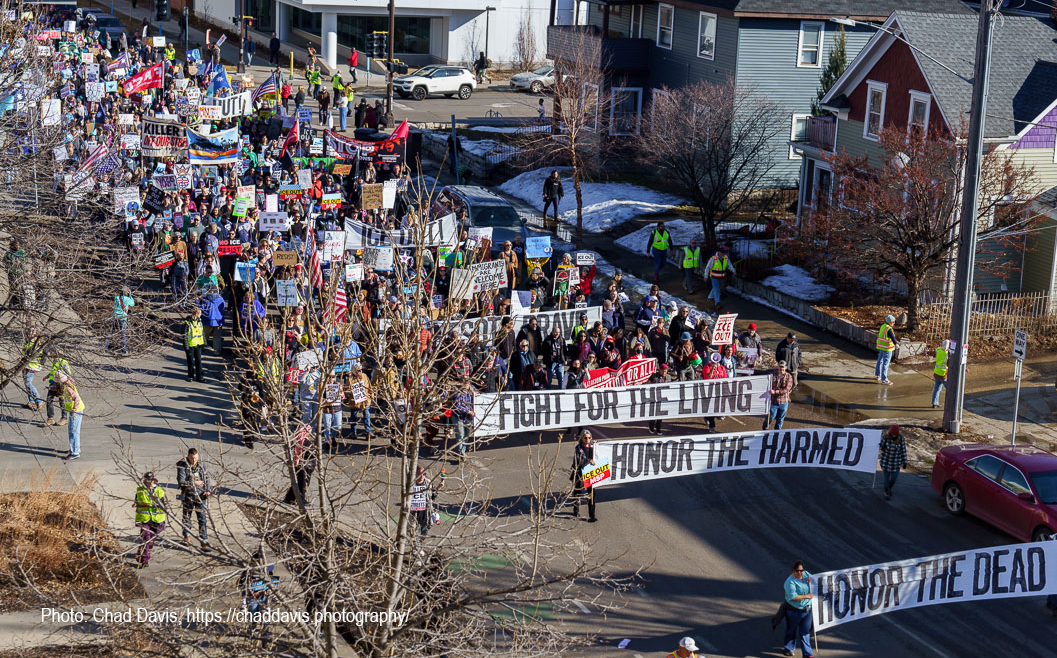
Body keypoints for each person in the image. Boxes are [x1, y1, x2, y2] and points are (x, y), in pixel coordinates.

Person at [177, 448, 212, 551]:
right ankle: (186, 537)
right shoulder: (182, 465)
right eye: (192, 458)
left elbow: (207, 478)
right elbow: (181, 481)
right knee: (187, 517)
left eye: (196, 458)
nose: (194, 460)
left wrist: (208, 490)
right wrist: (194, 483)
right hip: (188, 495)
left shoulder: (202, 465)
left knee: (202, 519)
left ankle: (204, 541)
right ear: (188, 456)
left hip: (200, 496)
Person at [133, 472, 166, 568]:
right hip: (145, 519)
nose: (149, 483)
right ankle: (144, 560)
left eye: (151, 481)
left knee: (150, 541)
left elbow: (164, 506)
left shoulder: (159, 491)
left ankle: (142, 553)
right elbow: (137, 500)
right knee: (146, 539)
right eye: (147, 481)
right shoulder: (140, 491)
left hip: (157, 520)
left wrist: (158, 502)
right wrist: (135, 504)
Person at [782, 560, 814, 657]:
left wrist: (811, 580)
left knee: (805, 632)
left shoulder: (806, 574)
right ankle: (789, 648)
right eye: (797, 570)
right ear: (793, 570)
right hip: (794, 611)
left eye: (801, 570)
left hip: (807, 610)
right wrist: (807, 596)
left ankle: (807, 654)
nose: (800, 572)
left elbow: (814, 579)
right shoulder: (789, 582)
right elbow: (793, 597)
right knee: (791, 630)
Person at [55, 371, 84, 460]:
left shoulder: (67, 388)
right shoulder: (68, 384)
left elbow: (76, 398)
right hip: (75, 410)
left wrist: (74, 410)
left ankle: (75, 452)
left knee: (73, 431)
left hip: (75, 411)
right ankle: (75, 448)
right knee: (74, 430)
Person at [570, 430, 597, 522]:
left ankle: (592, 515)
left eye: (589, 437)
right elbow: (579, 461)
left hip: (591, 474)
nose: (587, 439)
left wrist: (597, 446)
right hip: (580, 474)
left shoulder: (593, 447)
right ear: (581, 438)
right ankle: (576, 509)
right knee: (578, 492)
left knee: (592, 494)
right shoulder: (579, 448)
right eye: (585, 438)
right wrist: (589, 461)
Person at [410, 465, 444, 536]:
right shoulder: (410, 485)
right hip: (413, 514)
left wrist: (438, 488)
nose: (422, 476)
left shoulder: (428, 483)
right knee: (413, 535)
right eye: (419, 474)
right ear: (415, 474)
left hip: (425, 514)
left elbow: (432, 496)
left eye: (424, 474)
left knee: (423, 534)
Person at [879, 425, 907, 500]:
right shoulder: (885, 437)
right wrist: (879, 445)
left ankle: (889, 488)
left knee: (894, 477)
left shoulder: (901, 439)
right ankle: (886, 492)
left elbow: (903, 450)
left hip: (896, 462)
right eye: (893, 433)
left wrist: (904, 461)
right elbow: (881, 447)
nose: (894, 435)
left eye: (895, 434)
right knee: (886, 478)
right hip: (886, 462)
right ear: (890, 432)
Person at [44, 347, 71, 427]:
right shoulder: (54, 361)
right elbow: (53, 372)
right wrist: (46, 377)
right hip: (52, 383)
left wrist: (63, 380)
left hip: (60, 385)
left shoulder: (63, 362)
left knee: (62, 401)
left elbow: (68, 374)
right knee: (49, 400)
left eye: (52, 352)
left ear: (57, 353)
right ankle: (50, 418)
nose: (51, 353)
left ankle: (64, 418)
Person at [764, 360, 794, 430]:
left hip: (784, 402)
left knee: (780, 420)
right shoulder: (772, 375)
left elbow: (786, 389)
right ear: (778, 367)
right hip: (773, 401)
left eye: (783, 367)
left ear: (786, 367)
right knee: (771, 417)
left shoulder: (789, 377)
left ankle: (777, 433)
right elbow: (767, 384)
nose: (781, 368)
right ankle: (765, 428)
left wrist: (775, 392)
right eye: (780, 367)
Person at [105, 286, 135, 354]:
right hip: (123, 318)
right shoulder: (127, 299)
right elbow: (133, 304)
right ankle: (124, 350)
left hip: (115, 317)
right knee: (123, 335)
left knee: (110, 333)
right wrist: (130, 295)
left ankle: (105, 347)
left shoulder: (116, 298)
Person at [21, 332, 44, 410]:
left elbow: (35, 355)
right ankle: (31, 401)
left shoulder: (37, 343)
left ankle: (39, 401)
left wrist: (25, 358)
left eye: (32, 331)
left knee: (28, 384)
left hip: (32, 365)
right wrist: (22, 358)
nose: (30, 333)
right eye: (29, 331)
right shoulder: (27, 342)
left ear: (36, 333)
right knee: (26, 384)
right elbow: (23, 352)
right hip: (25, 365)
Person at [875, 314, 897, 385]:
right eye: (893, 322)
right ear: (890, 322)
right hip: (887, 348)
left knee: (880, 361)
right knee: (886, 363)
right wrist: (896, 344)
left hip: (881, 347)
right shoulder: (889, 329)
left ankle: (878, 375)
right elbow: (893, 338)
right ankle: (884, 379)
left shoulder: (883, 326)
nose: (894, 323)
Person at [185, 307, 205, 382]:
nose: (201, 315)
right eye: (200, 313)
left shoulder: (199, 322)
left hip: (198, 344)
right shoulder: (187, 323)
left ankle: (200, 377)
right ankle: (190, 376)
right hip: (190, 345)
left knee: (199, 361)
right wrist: (186, 346)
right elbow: (184, 336)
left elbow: (202, 333)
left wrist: (204, 343)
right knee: (190, 361)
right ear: (197, 314)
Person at [931, 339, 950, 408]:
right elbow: (949, 364)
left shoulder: (938, 350)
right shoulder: (948, 354)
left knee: (936, 389)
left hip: (936, 373)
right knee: (950, 390)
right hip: (943, 374)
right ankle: (950, 405)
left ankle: (934, 403)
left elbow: (933, 353)